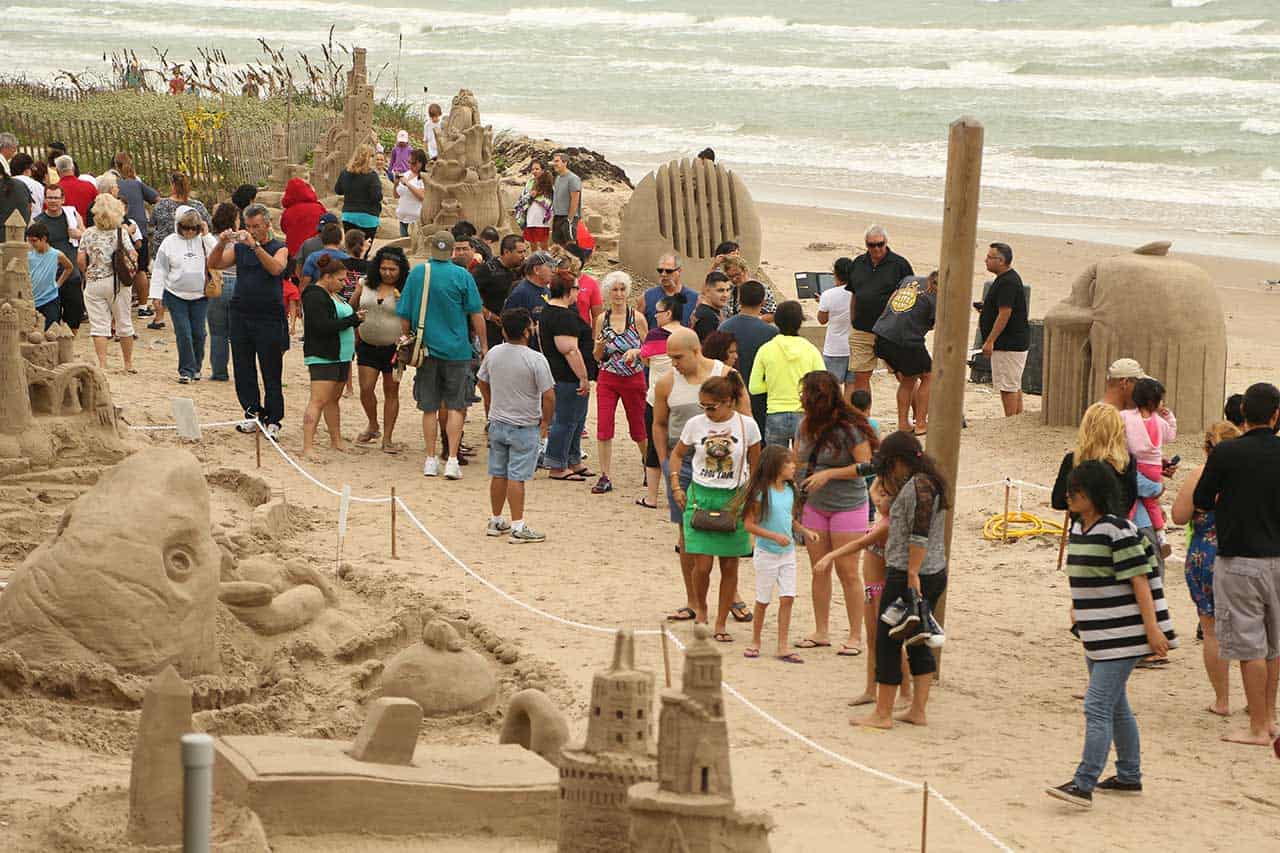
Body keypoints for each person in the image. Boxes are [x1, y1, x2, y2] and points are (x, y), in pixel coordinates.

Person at [1046, 460, 1175, 809]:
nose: (1071, 495)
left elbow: (1140, 580)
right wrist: (1077, 610)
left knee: (1097, 705)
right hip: (1096, 632)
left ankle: (1084, 782)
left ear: (1095, 494)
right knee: (1116, 706)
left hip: (1123, 633)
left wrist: (1153, 631)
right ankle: (1129, 775)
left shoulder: (1118, 530)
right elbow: (1084, 578)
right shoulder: (1080, 530)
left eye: (1078, 491)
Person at [1192, 381, 1280, 747]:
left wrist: (1230, 500)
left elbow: (1201, 498)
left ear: (1243, 414)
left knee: (1249, 647)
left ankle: (1259, 726)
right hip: (1277, 556)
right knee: (1274, 645)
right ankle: (1270, 717)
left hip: (1240, 557)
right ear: (1276, 416)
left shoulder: (1227, 454)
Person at [851, 431, 950, 730]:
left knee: (888, 639)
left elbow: (919, 533)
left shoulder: (920, 486)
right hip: (928, 571)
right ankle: (917, 710)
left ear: (897, 462)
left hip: (911, 572)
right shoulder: (925, 481)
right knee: (917, 638)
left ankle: (883, 713)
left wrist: (910, 574)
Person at [654, 329, 753, 626]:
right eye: (670, 357)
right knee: (688, 534)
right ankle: (694, 601)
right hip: (684, 463)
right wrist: (663, 460)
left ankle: (732, 595)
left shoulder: (728, 375)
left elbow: (747, 419)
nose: (673, 363)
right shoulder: (666, 383)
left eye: (678, 357)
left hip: (726, 466)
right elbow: (659, 424)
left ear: (696, 351)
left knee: (729, 529)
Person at [669, 372, 763, 641]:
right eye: (703, 406)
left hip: (734, 497)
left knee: (730, 565)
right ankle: (701, 610)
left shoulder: (748, 426)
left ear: (729, 402)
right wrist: (676, 485)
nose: (706, 412)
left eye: (711, 406)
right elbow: (678, 454)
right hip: (700, 495)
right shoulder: (695, 424)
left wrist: (753, 498)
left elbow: (756, 465)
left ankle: (721, 623)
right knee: (702, 564)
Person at [792, 370, 877, 654]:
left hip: (848, 505)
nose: (802, 399)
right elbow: (797, 460)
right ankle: (821, 631)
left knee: (848, 570)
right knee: (820, 568)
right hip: (814, 505)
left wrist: (830, 475)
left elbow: (867, 466)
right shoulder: (803, 426)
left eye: (807, 394)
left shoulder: (850, 428)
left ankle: (855, 635)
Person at [396, 230, 485, 480]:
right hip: (457, 350)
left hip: (426, 349)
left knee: (429, 408)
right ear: (452, 251)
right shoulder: (462, 275)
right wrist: (484, 345)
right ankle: (453, 459)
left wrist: (408, 338)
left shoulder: (418, 274)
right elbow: (476, 314)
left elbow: (403, 314)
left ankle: (430, 458)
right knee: (456, 406)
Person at [1172, 421, 1243, 717]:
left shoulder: (1199, 475)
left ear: (1206, 448)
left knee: (1213, 632)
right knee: (1258, 631)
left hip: (1205, 554)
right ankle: (1260, 702)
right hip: (1244, 552)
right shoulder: (1249, 476)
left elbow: (1178, 516)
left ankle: (1222, 700)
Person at [816, 479, 908, 707]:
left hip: (883, 589)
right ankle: (870, 689)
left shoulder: (889, 524)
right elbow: (873, 488)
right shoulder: (882, 518)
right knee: (872, 640)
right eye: (881, 494)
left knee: (893, 641)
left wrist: (830, 556)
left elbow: (858, 544)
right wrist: (882, 472)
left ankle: (906, 692)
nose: (879, 498)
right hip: (871, 589)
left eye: (886, 496)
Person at [209, 204, 290, 438]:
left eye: (257, 226)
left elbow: (276, 269)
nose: (252, 231)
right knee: (243, 368)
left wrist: (255, 246)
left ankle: (273, 419)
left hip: (269, 316)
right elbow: (215, 263)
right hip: (241, 313)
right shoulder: (240, 249)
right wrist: (223, 242)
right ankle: (251, 413)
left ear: (267, 225)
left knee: (271, 369)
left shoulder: (279, 247)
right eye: (249, 226)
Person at [478, 308, 554, 543]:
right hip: (524, 425)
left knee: (498, 472)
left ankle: (496, 519)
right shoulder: (535, 359)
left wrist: (491, 406)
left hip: (498, 422)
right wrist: (545, 423)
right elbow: (549, 395)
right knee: (516, 476)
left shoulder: (494, 353)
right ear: (526, 331)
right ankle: (518, 525)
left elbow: (482, 381)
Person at [740, 445, 818, 663]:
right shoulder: (760, 494)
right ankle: (756, 640)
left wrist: (805, 531)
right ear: (776, 467)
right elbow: (749, 524)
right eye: (788, 463)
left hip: (788, 553)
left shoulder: (790, 491)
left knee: (788, 597)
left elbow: (789, 519)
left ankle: (782, 645)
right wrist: (773, 537)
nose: (793, 467)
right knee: (763, 599)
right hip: (767, 553)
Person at [301, 253, 364, 458]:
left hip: (341, 354)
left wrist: (354, 318)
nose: (344, 283)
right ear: (327, 277)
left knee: (333, 400)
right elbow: (322, 326)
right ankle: (308, 446)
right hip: (323, 354)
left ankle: (336, 441)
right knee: (318, 401)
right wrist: (353, 320)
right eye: (340, 279)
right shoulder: (314, 295)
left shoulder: (334, 295)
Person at [591, 271, 648, 495]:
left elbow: (649, 350)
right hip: (608, 376)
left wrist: (636, 351)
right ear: (608, 293)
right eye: (614, 289)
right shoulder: (601, 319)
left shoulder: (637, 319)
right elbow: (597, 355)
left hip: (633, 377)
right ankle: (605, 475)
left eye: (622, 289)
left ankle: (647, 463)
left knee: (638, 427)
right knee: (604, 425)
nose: (619, 294)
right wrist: (599, 345)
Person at [845, 225, 913, 404]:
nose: (876, 249)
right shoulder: (858, 263)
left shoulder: (900, 265)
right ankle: (863, 419)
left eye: (879, 244)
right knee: (860, 378)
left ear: (886, 243)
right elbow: (853, 293)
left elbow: (910, 297)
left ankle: (918, 418)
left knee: (904, 376)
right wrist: (853, 319)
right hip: (862, 330)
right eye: (871, 245)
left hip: (891, 332)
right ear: (866, 245)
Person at [352, 245, 409, 453]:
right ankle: (373, 424)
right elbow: (352, 306)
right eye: (384, 268)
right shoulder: (365, 283)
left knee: (391, 391)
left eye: (392, 269)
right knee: (366, 389)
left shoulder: (406, 289)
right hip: (367, 345)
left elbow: (410, 316)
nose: (387, 272)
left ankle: (388, 437)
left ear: (401, 269)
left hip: (394, 348)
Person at [540, 266, 594, 481]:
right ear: (567, 291)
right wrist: (582, 376)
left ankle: (573, 459)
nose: (578, 292)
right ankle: (557, 464)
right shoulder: (562, 316)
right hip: (566, 376)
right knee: (565, 420)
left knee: (576, 419)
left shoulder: (555, 312)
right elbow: (570, 350)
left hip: (563, 376)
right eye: (576, 289)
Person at [152, 206, 216, 383]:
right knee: (183, 332)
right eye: (185, 228)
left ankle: (196, 366)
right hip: (175, 294)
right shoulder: (169, 242)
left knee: (199, 333)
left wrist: (206, 235)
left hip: (200, 295)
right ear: (178, 225)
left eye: (193, 228)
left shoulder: (203, 240)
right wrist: (156, 295)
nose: (189, 232)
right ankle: (186, 370)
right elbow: (160, 270)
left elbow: (218, 253)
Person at [748, 301, 825, 447]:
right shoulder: (810, 349)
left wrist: (774, 384)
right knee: (803, 464)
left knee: (776, 463)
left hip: (775, 413)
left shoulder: (766, 349)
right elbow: (822, 383)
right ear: (800, 322)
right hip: (804, 413)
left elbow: (754, 387)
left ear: (776, 321)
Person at [77, 194, 137, 371]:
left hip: (95, 282)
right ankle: (128, 363)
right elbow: (133, 254)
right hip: (118, 283)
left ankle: (103, 364)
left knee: (99, 325)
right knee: (124, 322)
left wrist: (87, 273)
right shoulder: (121, 232)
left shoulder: (88, 233)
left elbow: (81, 259)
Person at [873, 272, 938, 436]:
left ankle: (903, 423)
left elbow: (892, 299)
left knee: (908, 379)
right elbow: (936, 324)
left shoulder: (910, 280)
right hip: (906, 340)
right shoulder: (938, 297)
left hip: (882, 333)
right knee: (928, 376)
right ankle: (921, 423)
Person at [637, 292, 685, 510]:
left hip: (657, 399)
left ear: (668, 313)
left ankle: (652, 497)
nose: (654, 316)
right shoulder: (688, 336)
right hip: (683, 400)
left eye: (657, 312)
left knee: (655, 449)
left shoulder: (656, 335)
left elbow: (646, 359)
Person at [148, 172, 210, 330]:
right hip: (190, 251)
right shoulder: (198, 206)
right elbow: (208, 223)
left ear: (172, 185)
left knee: (163, 276)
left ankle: (159, 315)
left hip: (163, 247)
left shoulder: (161, 205)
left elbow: (152, 223)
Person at [1122, 377, 1177, 554]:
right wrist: (1169, 416)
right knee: (1152, 502)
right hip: (1154, 468)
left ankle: (1127, 528)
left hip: (1137, 466)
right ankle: (1161, 536)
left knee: (1132, 499)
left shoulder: (1126, 417)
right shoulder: (1160, 422)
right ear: (1154, 402)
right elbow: (1170, 435)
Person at [977, 242, 1029, 416]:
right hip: (1011, 342)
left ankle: (1011, 420)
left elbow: (1005, 313)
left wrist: (990, 341)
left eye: (990, 257)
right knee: (1013, 383)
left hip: (1008, 343)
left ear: (1001, 260)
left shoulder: (1008, 282)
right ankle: (1016, 419)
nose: (986, 260)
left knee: (1008, 386)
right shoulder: (1005, 280)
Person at [720, 280, 778, 431]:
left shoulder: (724, 328)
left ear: (739, 300)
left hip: (729, 396)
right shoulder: (771, 333)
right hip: (761, 399)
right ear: (763, 301)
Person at [109, 153, 159, 311]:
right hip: (139, 230)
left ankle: (121, 306)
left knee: (118, 267)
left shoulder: (110, 185)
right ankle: (144, 306)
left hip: (117, 230)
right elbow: (156, 198)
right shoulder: (136, 184)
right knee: (140, 269)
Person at [36, 184, 85, 335]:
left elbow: (87, 237)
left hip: (72, 275)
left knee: (74, 316)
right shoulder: (38, 222)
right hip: (49, 279)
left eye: (56, 198)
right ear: (45, 199)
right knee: (51, 320)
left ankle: (69, 347)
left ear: (63, 199)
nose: (53, 201)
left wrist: (79, 233)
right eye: (49, 197)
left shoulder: (72, 216)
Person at [474, 234, 526, 357]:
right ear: (507, 252)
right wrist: (488, 314)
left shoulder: (522, 270)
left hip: (515, 331)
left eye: (524, 251)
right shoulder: (487, 270)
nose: (523, 256)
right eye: (519, 252)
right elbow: (470, 296)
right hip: (491, 329)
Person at [206, 202, 240, 382]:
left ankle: (219, 372)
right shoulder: (240, 240)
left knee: (218, 333)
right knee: (238, 334)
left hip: (217, 283)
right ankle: (241, 370)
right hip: (238, 284)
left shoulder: (211, 238)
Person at [818, 257, 855, 397]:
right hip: (853, 347)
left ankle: (835, 417)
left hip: (834, 348)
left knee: (833, 388)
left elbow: (822, 320)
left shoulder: (828, 295)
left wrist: (822, 302)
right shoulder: (858, 293)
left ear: (835, 274)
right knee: (851, 386)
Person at [25, 221, 73, 330]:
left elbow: (69, 267)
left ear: (44, 238)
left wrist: (58, 284)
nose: (31, 244)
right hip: (32, 300)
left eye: (34, 241)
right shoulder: (28, 255)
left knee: (51, 330)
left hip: (50, 299)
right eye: (29, 241)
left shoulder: (56, 254)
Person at [503, 251, 554, 351]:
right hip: (527, 353)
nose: (553, 271)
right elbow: (509, 327)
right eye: (550, 267)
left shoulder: (546, 289)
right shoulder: (520, 293)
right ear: (536, 270)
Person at [334, 144, 382, 247]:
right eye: (372, 156)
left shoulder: (345, 173)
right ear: (367, 158)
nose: (373, 159)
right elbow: (376, 197)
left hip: (349, 216)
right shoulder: (372, 176)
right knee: (364, 249)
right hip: (368, 217)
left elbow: (338, 190)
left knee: (351, 249)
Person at [643, 253, 699, 329]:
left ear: (679, 271)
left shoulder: (694, 298)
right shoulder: (647, 297)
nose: (663, 274)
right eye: (660, 270)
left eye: (668, 271)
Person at [280, 177, 326, 259]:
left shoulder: (287, 212)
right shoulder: (319, 207)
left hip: (295, 252)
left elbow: (284, 228)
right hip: (317, 252)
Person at [721, 256, 776, 322]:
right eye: (730, 276)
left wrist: (752, 320)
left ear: (745, 270)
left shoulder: (761, 289)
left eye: (737, 274)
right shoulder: (729, 290)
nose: (734, 279)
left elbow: (773, 314)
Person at [549, 151, 581, 248]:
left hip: (568, 218)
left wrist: (569, 219)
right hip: (557, 217)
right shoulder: (558, 178)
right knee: (558, 245)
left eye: (557, 161)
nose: (554, 164)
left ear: (565, 162)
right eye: (553, 161)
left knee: (571, 245)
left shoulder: (573, 179)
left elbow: (575, 200)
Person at [394, 149, 427, 238]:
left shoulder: (424, 177)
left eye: (413, 163)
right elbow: (396, 195)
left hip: (416, 219)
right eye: (409, 162)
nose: (411, 165)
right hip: (402, 218)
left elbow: (422, 196)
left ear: (421, 163)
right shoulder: (406, 174)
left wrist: (408, 184)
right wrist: (396, 184)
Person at [519, 165, 554, 251]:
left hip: (542, 218)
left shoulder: (549, 184)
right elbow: (523, 197)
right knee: (532, 244)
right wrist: (529, 195)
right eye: (533, 169)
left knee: (544, 245)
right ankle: (534, 262)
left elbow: (551, 200)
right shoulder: (529, 183)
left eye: (537, 169)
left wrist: (538, 195)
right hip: (530, 216)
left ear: (543, 170)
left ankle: (546, 262)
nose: (534, 171)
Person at [52, 155, 96, 222]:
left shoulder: (52, 191)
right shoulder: (89, 186)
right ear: (73, 168)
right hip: (87, 229)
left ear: (57, 171)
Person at [692, 271, 731, 342]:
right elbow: (709, 350)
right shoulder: (707, 317)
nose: (725, 295)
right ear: (707, 291)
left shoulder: (711, 312)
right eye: (720, 290)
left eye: (728, 290)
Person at [9, 153, 43, 219]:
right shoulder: (38, 185)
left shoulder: (4, 184)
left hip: (10, 225)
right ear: (27, 169)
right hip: (35, 223)